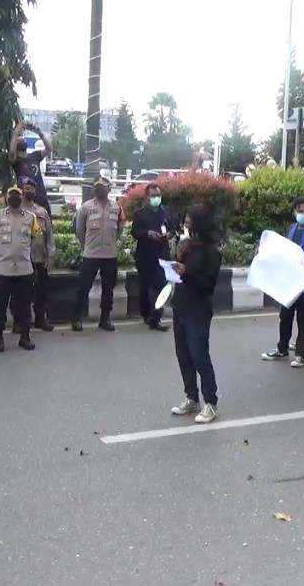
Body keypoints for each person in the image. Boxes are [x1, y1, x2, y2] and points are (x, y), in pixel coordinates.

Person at [168, 205, 224, 424]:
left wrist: (186, 273)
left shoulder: (212, 253)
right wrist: (176, 260)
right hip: (180, 304)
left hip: (198, 309)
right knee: (183, 355)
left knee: (199, 355)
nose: (187, 225)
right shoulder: (187, 247)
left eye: (190, 222)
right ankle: (191, 397)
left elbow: (207, 284)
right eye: (186, 222)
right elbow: (180, 271)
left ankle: (210, 402)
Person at [261, 197, 304, 369]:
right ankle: (282, 349)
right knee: (285, 316)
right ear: (295, 211)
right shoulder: (291, 229)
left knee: (303, 319)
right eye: (301, 211)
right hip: (291, 283)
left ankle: (300, 354)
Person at [0, 185, 43, 352]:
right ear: (6, 198)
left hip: (24, 269)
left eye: (18, 195)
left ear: (21, 197)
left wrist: (32, 257)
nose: (15, 198)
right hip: (3, 269)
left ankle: (25, 338)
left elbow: (36, 239)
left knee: (24, 306)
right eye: (12, 195)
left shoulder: (31, 218)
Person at [73, 178, 124, 332]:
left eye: (103, 187)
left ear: (109, 188)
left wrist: (111, 241)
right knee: (83, 287)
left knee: (108, 289)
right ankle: (76, 318)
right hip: (91, 254)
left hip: (110, 254)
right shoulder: (86, 207)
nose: (99, 189)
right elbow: (79, 230)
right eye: (97, 187)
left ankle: (105, 318)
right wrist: (86, 244)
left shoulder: (117, 208)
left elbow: (119, 229)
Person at [130, 183, 173, 332]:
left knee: (162, 286)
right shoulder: (140, 214)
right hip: (145, 254)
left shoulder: (166, 212)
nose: (156, 198)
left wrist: (168, 235)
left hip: (162, 254)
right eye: (153, 196)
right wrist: (147, 234)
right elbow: (135, 232)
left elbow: (173, 228)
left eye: (158, 195)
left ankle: (156, 317)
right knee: (145, 286)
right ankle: (146, 314)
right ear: (147, 197)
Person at [21, 178, 55, 331]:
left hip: (39, 259)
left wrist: (50, 255)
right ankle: (19, 322)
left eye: (31, 189)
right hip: (21, 260)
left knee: (41, 292)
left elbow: (49, 235)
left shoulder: (41, 212)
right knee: (21, 294)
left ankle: (41, 319)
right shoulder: (15, 210)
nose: (29, 191)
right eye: (26, 188)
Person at [7, 121, 53, 217]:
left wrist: (39, 133)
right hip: (25, 199)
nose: (22, 140)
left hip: (41, 196)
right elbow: (11, 152)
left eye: (22, 139)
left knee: (45, 223)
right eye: (18, 140)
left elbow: (49, 148)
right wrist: (17, 131)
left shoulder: (35, 155)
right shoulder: (17, 161)